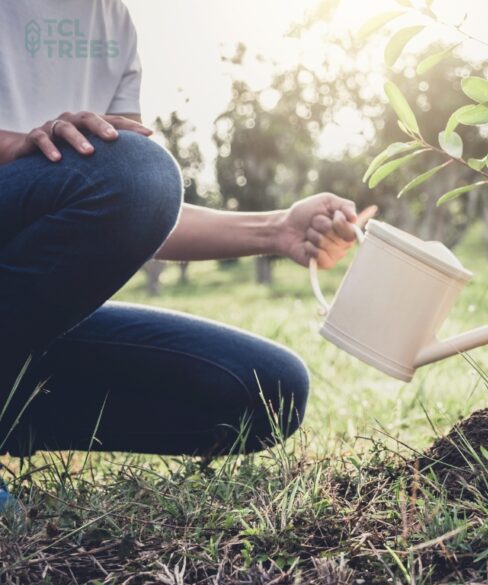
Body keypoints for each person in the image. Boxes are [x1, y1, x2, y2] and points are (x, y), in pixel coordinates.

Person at [0, 0, 373, 461]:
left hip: (20, 314)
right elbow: (129, 177)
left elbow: (129, 199)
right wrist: (17, 146)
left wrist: (276, 229)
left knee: (267, 388)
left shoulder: (111, 20)